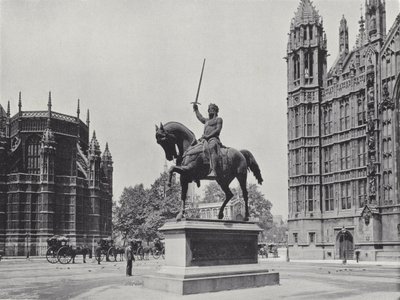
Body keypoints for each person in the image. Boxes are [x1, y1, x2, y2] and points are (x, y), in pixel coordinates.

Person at [193, 103, 223, 177]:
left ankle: (213, 170)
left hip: (213, 139)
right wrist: (196, 109)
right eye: (209, 109)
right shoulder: (206, 120)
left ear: (215, 111)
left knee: (212, 147)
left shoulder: (218, 119)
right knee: (194, 147)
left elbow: (218, 130)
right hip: (204, 139)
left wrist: (208, 136)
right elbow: (200, 117)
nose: (209, 110)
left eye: (211, 108)